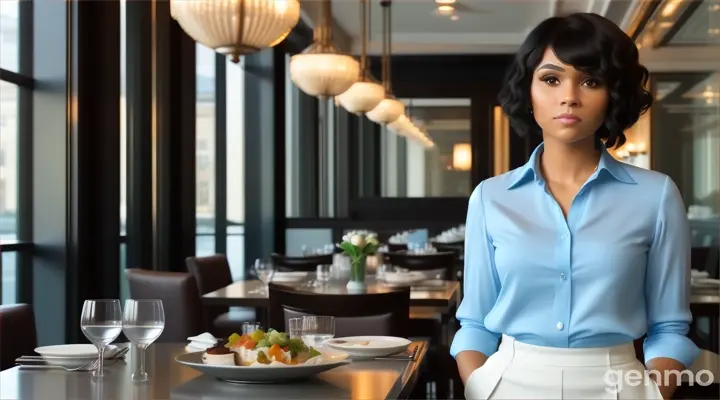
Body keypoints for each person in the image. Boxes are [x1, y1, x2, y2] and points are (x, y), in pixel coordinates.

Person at [452, 12, 699, 400]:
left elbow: (669, 327)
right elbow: (475, 321)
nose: (569, 96)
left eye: (590, 80)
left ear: (611, 95)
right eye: (551, 79)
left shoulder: (657, 195)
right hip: (507, 381)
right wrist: (479, 385)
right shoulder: (490, 197)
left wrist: (654, 393)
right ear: (528, 91)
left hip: (618, 383)